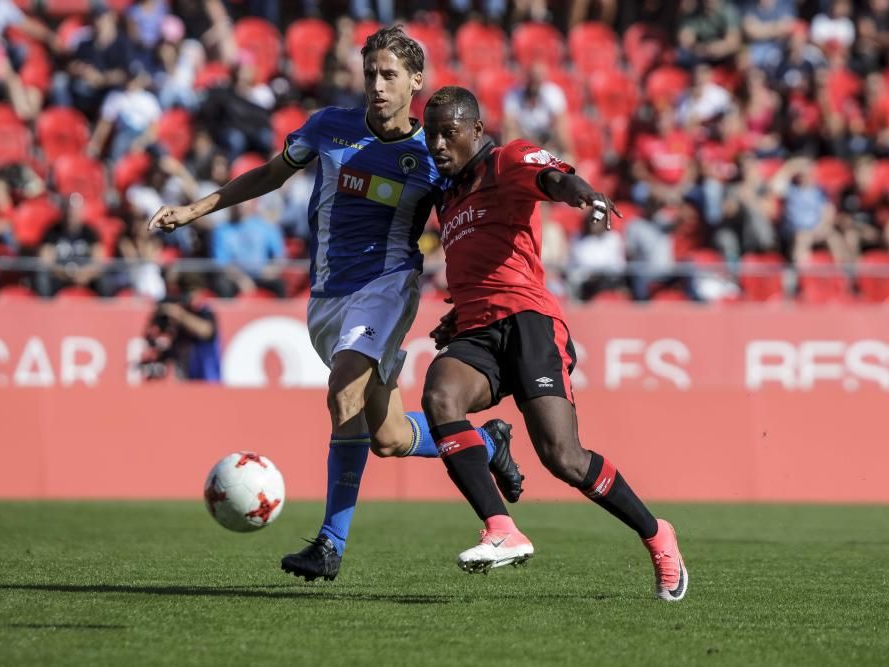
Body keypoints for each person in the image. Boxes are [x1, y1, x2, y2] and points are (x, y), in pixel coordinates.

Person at [147, 26, 523, 581]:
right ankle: (486, 440)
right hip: (326, 296)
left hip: (388, 285)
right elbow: (273, 174)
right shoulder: (329, 127)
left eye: (390, 74)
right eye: (371, 72)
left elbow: (467, 226)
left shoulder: (432, 155)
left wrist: (468, 300)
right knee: (388, 437)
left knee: (344, 385)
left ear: (415, 82)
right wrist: (194, 209)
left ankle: (329, 544)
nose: (377, 84)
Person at [420, 86, 688, 601]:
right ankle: (502, 527)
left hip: (529, 322)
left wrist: (583, 195)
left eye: (448, 132)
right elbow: (482, 260)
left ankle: (657, 534)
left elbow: (553, 178)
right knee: (440, 396)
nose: (437, 143)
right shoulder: (446, 194)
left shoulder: (505, 159)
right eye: (431, 133)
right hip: (477, 327)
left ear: (476, 130)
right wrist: (458, 313)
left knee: (563, 458)